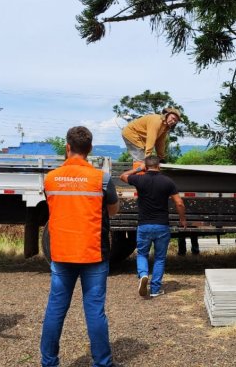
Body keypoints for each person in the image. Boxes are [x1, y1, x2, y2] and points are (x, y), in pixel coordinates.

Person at [40, 126, 120, 367]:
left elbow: (52, 205)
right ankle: (102, 363)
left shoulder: (51, 178)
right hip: (93, 252)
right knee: (95, 311)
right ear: (90, 150)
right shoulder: (102, 178)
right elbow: (113, 211)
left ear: (67, 147)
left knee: (55, 309)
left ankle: (49, 362)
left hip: (62, 252)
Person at [120, 155, 187, 298]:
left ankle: (143, 275)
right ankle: (155, 289)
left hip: (144, 225)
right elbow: (179, 203)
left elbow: (123, 176)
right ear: (159, 166)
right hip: (162, 225)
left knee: (142, 254)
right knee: (160, 258)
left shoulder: (139, 179)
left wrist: (138, 169)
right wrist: (182, 219)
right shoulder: (167, 181)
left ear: (146, 166)